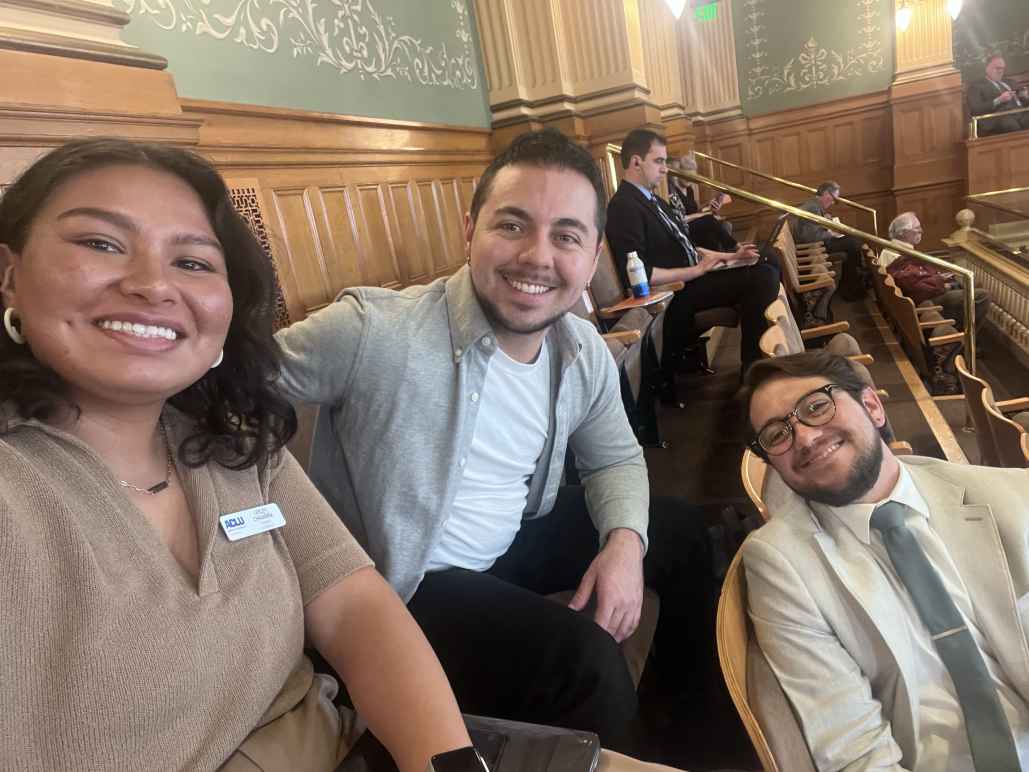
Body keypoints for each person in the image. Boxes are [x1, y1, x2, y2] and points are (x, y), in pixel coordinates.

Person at [0, 138, 475, 772]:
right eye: (100, 244)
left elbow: (352, 602)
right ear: (9, 274)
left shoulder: (235, 444)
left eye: (193, 262)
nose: (151, 285)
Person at [275, 129, 717, 752]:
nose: (537, 256)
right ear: (469, 231)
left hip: (509, 536)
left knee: (679, 533)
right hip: (410, 585)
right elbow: (235, 378)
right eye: (512, 225)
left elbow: (614, 456)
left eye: (566, 236)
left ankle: (689, 729)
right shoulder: (375, 331)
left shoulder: (580, 349)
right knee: (586, 661)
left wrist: (622, 544)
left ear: (592, 258)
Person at [740, 351, 1029, 772]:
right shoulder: (782, 564)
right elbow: (854, 751)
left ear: (872, 406)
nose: (803, 438)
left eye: (816, 407)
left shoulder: (1013, 497)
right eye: (776, 435)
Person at [605, 129, 778, 379]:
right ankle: (753, 370)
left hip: (692, 279)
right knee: (763, 277)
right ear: (635, 162)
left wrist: (731, 256)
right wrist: (696, 270)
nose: (665, 169)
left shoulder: (652, 200)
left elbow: (686, 245)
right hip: (675, 294)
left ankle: (768, 353)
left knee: (767, 258)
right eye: (659, 161)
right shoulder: (624, 206)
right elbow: (640, 274)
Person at [882, 211, 990, 333]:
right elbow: (915, 288)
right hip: (923, 302)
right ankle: (963, 339)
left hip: (925, 296)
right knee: (982, 296)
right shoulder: (896, 253)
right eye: (916, 228)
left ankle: (959, 335)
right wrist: (943, 283)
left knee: (967, 285)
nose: (921, 231)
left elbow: (916, 277)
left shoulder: (896, 248)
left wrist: (939, 278)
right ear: (902, 232)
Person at [794, 181, 866, 301]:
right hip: (812, 246)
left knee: (852, 243)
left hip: (815, 243)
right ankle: (851, 288)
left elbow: (813, 229)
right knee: (853, 244)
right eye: (834, 199)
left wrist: (826, 221)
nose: (833, 203)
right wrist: (831, 233)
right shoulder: (813, 207)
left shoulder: (814, 204)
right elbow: (809, 237)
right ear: (826, 194)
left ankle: (850, 285)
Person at [666, 154, 737, 252]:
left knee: (723, 225)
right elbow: (681, 218)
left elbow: (694, 210)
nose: (689, 180)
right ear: (679, 174)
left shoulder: (689, 189)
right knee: (710, 221)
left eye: (692, 177)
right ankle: (734, 247)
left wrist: (708, 205)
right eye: (687, 176)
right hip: (685, 227)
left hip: (696, 224)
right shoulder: (673, 192)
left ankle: (723, 256)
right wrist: (703, 214)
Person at [967, 53, 1029, 136]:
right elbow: (976, 109)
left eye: (1002, 69)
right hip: (997, 119)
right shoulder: (976, 87)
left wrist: (1025, 96)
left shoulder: (1010, 82)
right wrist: (999, 100)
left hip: (1020, 114)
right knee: (1010, 124)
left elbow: (1024, 100)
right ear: (987, 68)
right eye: (997, 68)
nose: (1000, 71)